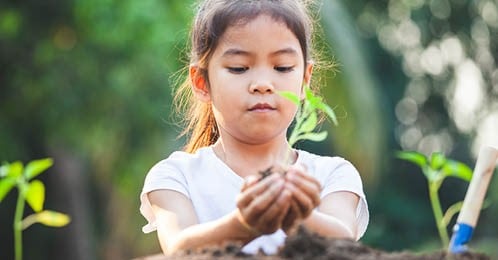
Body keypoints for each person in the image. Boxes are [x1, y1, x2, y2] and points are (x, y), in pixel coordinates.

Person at [140, 0, 369, 256]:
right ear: (202, 82)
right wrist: (244, 224)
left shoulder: (332, 175)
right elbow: (179, 250)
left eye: (282, 67)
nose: (262, 84)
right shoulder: (175, 177)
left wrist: (297, 217)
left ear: (305, 79)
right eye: (239, 68)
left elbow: (344, 246)